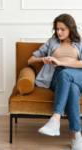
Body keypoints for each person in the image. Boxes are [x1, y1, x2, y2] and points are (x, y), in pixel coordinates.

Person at [28, 13, 82, 150]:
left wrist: (60, 62)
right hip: (58, 77)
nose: (59, 32)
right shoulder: (52, 42)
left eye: (62, 29)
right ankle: (77, 136)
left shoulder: (80, 42)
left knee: (66, 73)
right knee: (73, 89)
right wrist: (44, 59)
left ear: (71, 28)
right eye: (57, 29)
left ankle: (55, 120)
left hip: (78, 74)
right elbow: (30, 60)